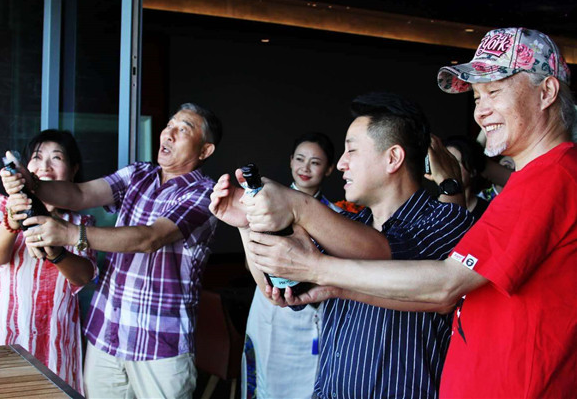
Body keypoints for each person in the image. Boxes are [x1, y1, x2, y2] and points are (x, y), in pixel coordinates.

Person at [246, 27, 576, 398]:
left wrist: (316, 265)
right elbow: (442, 296)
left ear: (546, 92)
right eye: (477, 96)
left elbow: (446, 285)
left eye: (494, 92)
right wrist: (333, 283)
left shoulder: (554, 175)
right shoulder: (535, 179)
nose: (481, 111)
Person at [211, 93, 474, 398]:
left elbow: (384, 251)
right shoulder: (348, 223)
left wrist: (299, 206)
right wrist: (246, 223)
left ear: (392, 158)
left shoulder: (446, 219)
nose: (341, 164)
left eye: (352, 150)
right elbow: (280, 286)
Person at [1, 102, 221, 399]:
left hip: (159, 344)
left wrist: (70, 233)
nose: (168, 134)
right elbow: (80, 194)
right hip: (107, 333)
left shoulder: (205, 194)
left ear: (205, 150)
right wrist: (32, 184)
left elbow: (150, 238)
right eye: (169, 125)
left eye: (183, 130)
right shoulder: (139, 174)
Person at [0, 129, 97, 393]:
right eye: (37, 157)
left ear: (73, 170)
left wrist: (56, 252)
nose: (44, 166)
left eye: (56, 158)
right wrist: (12, 220)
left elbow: (83, 276)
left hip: (52, 339)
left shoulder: (79, 224)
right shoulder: (1, 206)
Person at [242, 132, 341, 399]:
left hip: (309, 314)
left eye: (315, 162)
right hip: (267, 305)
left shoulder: (336, 217)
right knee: (263, 379)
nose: (305, 168)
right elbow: (251, 262)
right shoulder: (261, 206)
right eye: (300, 159)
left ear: (329, 168)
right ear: (290, 161)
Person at [442, 135, 491, 219]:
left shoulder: (487, 212)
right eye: (445, 162)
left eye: (455, 163)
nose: (448, 168)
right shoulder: (431, 208)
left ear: (472, 171)